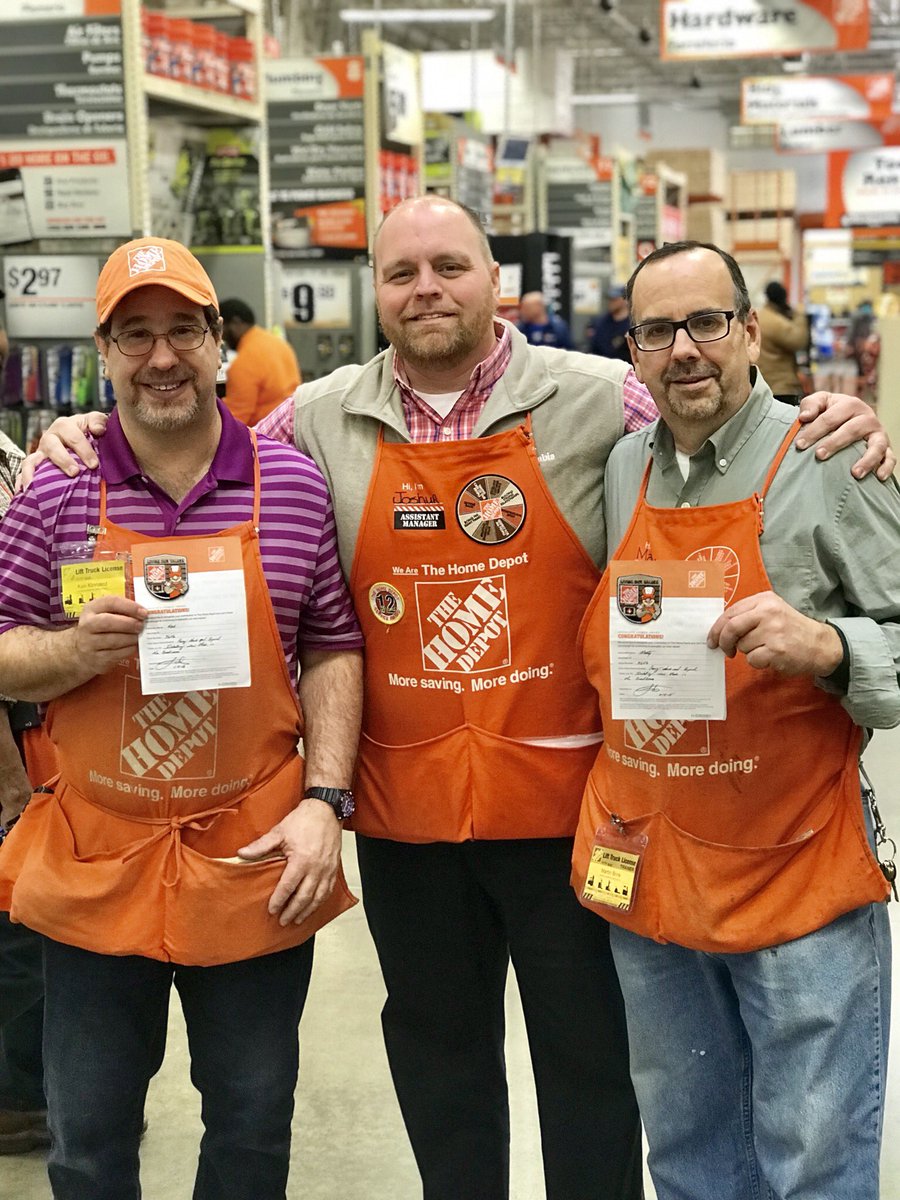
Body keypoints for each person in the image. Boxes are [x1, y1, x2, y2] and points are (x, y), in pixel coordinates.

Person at [25, 200, 895, 1200]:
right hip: (408, 816)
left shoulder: (607, 400)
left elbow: (725, 426)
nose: (425, 289)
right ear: (379, 296)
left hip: (571, 808)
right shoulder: (318, 415)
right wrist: (97, 428)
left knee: (592, 1064)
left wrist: (831, 415)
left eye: (450, 266)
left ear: (498, 283)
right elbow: (198, 443)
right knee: (440, 1062)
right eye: (401, 274)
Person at [0, 236, 364, 1200]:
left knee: (250, 1123)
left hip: (250, 861)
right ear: (105, 351)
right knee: (87, 1135)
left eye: (182, 332)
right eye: (135, 336)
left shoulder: (289, 483)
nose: (161, 358)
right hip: (93, 855)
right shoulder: (55, 486)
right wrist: (71, 653)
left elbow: (332, 641)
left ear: (219, 344)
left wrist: (327, 800)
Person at [572, 241, 900, 1200]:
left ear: (752, 333)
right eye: (657, 331)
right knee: (687, 1152)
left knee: (814, 1157)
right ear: (632, 351)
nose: (685, 350)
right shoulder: (624, 464)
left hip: (792, 870)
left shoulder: (829, 456)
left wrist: (834, 650)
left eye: (708, 323)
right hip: (650, 871)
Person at [0, 425, 58, 1156]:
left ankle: (24, 1091)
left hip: (34, 732)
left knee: (29, 927)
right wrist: (12, 789)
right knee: (21, 941)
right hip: (11, 758)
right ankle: (17, 1096)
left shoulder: (12, 450)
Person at [219, 297, 301, 426]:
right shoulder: (279, 344)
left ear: (235, 323)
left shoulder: (245, 361)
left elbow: (234, 420)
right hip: (292, 426)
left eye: (221, 330)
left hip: (264, 436)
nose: (221, 338)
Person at [756, 280, 809, 403]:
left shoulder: (761, 316)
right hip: (781, 387)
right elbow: (798, 341)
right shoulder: (776, 322)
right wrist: (800, 316)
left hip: (764, 383)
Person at [588, 283, 632, 362]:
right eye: (609, 299)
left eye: (614, 299)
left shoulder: (631, 324)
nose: (610, 302)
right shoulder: (601, 323)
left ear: (625, 300)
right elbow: (595, 349)